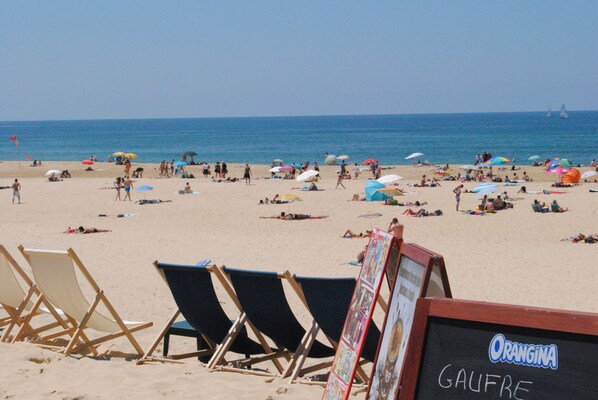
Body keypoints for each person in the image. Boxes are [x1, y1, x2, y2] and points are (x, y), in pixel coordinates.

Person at [261, 212, 328, 220]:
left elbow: (274, 217)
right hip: (296, 216)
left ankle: (323, 216)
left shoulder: (282, 217)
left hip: (296, 216)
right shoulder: (283, 217)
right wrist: (265, 217)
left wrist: (265, 217)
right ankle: (323, 216)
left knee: (310, 217)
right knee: (310, 217)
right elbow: (274, 217)